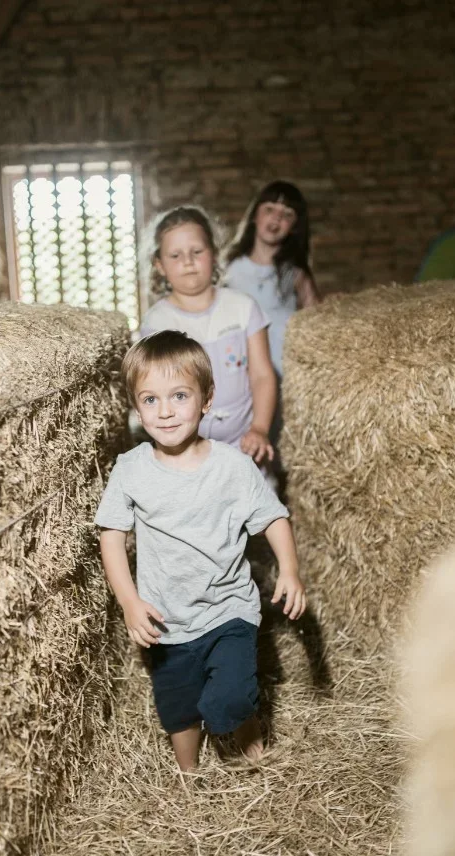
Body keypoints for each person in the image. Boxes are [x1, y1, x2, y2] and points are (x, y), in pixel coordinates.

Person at [94, 331, 306, 774]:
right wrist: (129, 602)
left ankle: (250, 748)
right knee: (178, 706)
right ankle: (188, 777)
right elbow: (111, 535)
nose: (166, 411)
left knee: (228, 697)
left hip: (229, 609)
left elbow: (272, 517)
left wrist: (288, 569)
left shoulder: (232, 466)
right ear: (136, 407)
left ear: (206, 400)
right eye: (150, 400)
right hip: (167, 618)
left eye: (179, 396)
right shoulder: (131, 470)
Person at [139, 206, 277, 470]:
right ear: (160, 265)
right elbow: (159, 391)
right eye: (175, 255)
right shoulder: (157, 322)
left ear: (213, 253)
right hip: (185, 450)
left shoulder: (243, 307)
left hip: (244, 445)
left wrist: (259, 427)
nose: (188, 261)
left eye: (197, 252)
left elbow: (262, 375)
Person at [224, 181, 321, 387]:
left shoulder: (294, 273)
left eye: (287, 215)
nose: (276, 218)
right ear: (254, 216)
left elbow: (317, 319)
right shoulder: (229, 270)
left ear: (295, 228)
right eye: (269, 209)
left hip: (285, 370)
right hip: (241, 369)